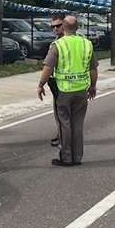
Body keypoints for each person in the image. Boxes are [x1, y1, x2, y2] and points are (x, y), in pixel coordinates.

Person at [37, 15, 98, 166]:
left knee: (64, 124)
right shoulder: (86, 44)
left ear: (63, 28)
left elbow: (48, 67)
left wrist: (41, 84)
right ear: (77, 28)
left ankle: (66, 157)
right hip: (81, 90)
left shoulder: (58, 45)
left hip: (64, 91)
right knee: (78, 124)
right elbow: (93, 69)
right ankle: (77, 157)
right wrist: (93, 86)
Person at [47, 13, 65, 146]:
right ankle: (60, 134)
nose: (55, 29)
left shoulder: (64, 41)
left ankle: (64, 137)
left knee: (64, 115)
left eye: (58, 26)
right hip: (57, 81)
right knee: (59, 113)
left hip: (66, 83)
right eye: (53, 27)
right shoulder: (57, 41)